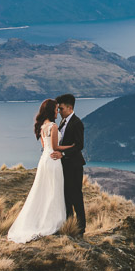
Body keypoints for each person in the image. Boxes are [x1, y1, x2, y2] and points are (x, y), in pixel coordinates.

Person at [7, 99, 67, 243]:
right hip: (53, 161)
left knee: (43, 190)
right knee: (53, 190)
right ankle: (52, 221)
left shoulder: (42, 127)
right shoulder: (52, 126)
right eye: (56, 109)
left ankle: (38, 219)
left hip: (44, 160)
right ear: (51, 110)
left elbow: (45, 146)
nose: (58, 111)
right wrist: (70, 148)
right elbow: (54, 147)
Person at [51, 93, 86, 235]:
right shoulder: (63, 122)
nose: (59, 112)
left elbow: (79, 145)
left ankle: (81, 227)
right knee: (65, 195)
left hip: (75, 165)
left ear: (70, 108)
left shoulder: (77, 123)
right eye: (58, 109)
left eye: (61, 109)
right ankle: (69, 224)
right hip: (64, 165)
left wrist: (63, 154)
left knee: (76, 195)